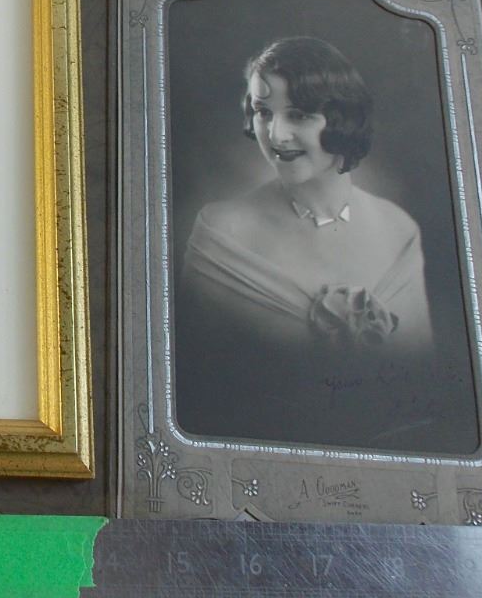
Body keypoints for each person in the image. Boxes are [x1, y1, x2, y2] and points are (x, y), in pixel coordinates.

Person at [177, 36, 434, 447]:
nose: (276, 135)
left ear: (342, 118)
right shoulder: (222, 232)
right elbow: (197, 387)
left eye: (298, 114)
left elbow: (419, 384)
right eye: (263, 112)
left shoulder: (399, 229)